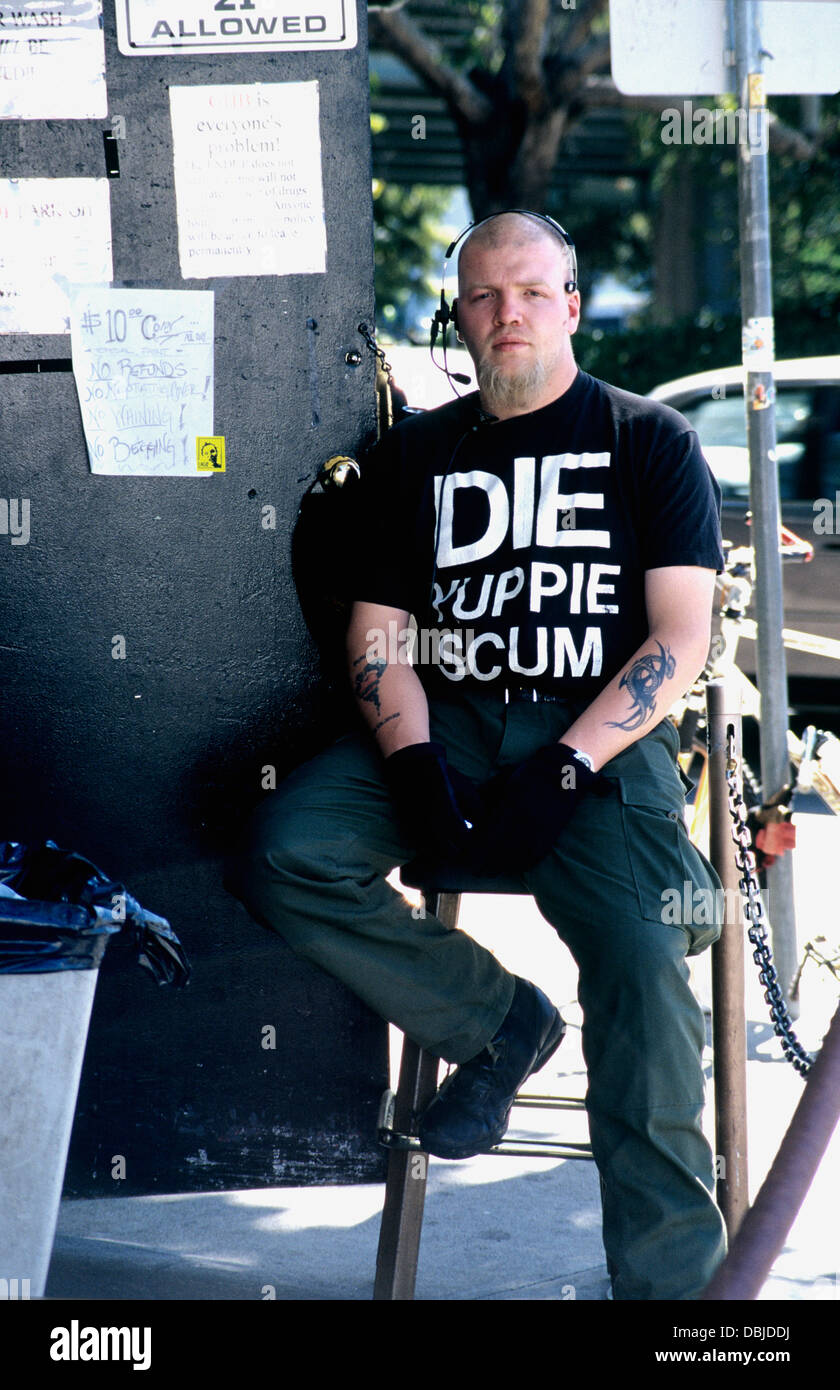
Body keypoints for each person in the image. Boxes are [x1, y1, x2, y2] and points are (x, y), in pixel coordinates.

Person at [227, 210, 728, 1300]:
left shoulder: (651, 440)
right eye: (485, 297)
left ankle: (682, 1304)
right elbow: (380, 635)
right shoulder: (415, 453)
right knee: (286, 847)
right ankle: (499, 1021)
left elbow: (681, 636)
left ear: (573, 306)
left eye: (532, 292)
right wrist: (412, 766)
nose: (509, 314)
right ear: (459, 316)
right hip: (447, 720)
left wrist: (567, 766)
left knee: (647, 975)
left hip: (600, 736)